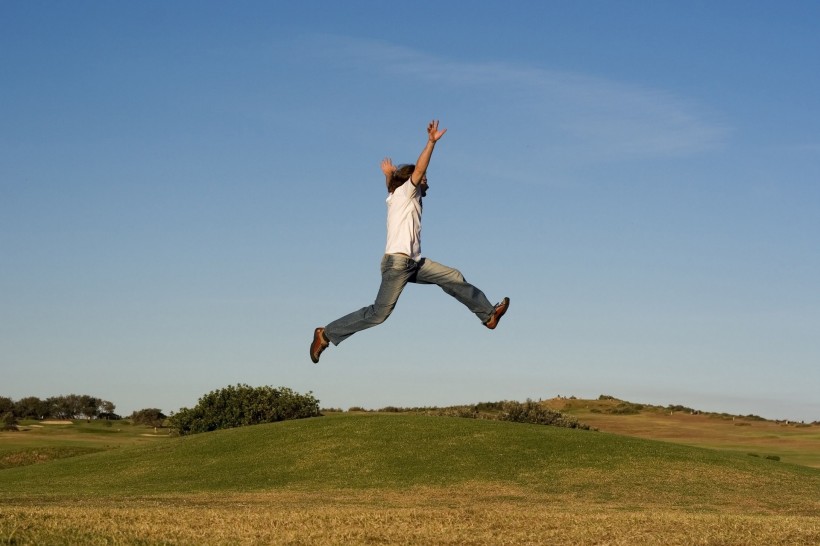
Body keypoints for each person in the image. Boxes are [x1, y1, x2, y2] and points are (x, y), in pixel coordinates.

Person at [310, 119, 509, 363]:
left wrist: (388, 175)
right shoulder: (407, 191)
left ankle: (489, 316)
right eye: (422, 177)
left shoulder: (396, 196)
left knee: (453, 276)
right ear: (411, 181)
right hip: (397, 264)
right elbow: (418, 170)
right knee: (378, 314)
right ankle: (326, 333)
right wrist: (431, 143)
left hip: (414, 263)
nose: (425, 179)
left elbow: (392, 188)